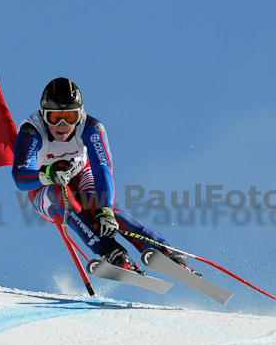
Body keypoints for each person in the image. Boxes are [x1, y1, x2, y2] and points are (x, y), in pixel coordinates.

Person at [12, 77, 188, 273]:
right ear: (44, 116)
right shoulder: (31, 130)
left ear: (79, 115)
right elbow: (20, 178)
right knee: (61, 194)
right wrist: (46, 175)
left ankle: (162, 249)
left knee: (98, 205)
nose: (62, 125)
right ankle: (110, 251)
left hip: (80, 175)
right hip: (44, 193)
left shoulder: (91, 127)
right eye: (54, 118)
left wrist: (105, 210)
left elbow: (102, 168)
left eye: (69, 117)